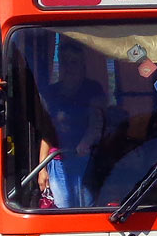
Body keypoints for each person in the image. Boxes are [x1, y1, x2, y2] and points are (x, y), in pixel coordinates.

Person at [37, 42, 106, 207]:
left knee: (87, 206)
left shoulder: (93, 89)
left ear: (83, 65)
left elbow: (97, 122)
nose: (69, 67)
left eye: (74, 62)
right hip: (58, 160)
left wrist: (86, 142)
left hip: (86, 157)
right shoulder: (51, 93)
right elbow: (47, 132)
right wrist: (42, 169)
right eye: (65, 62)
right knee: (63, 207)